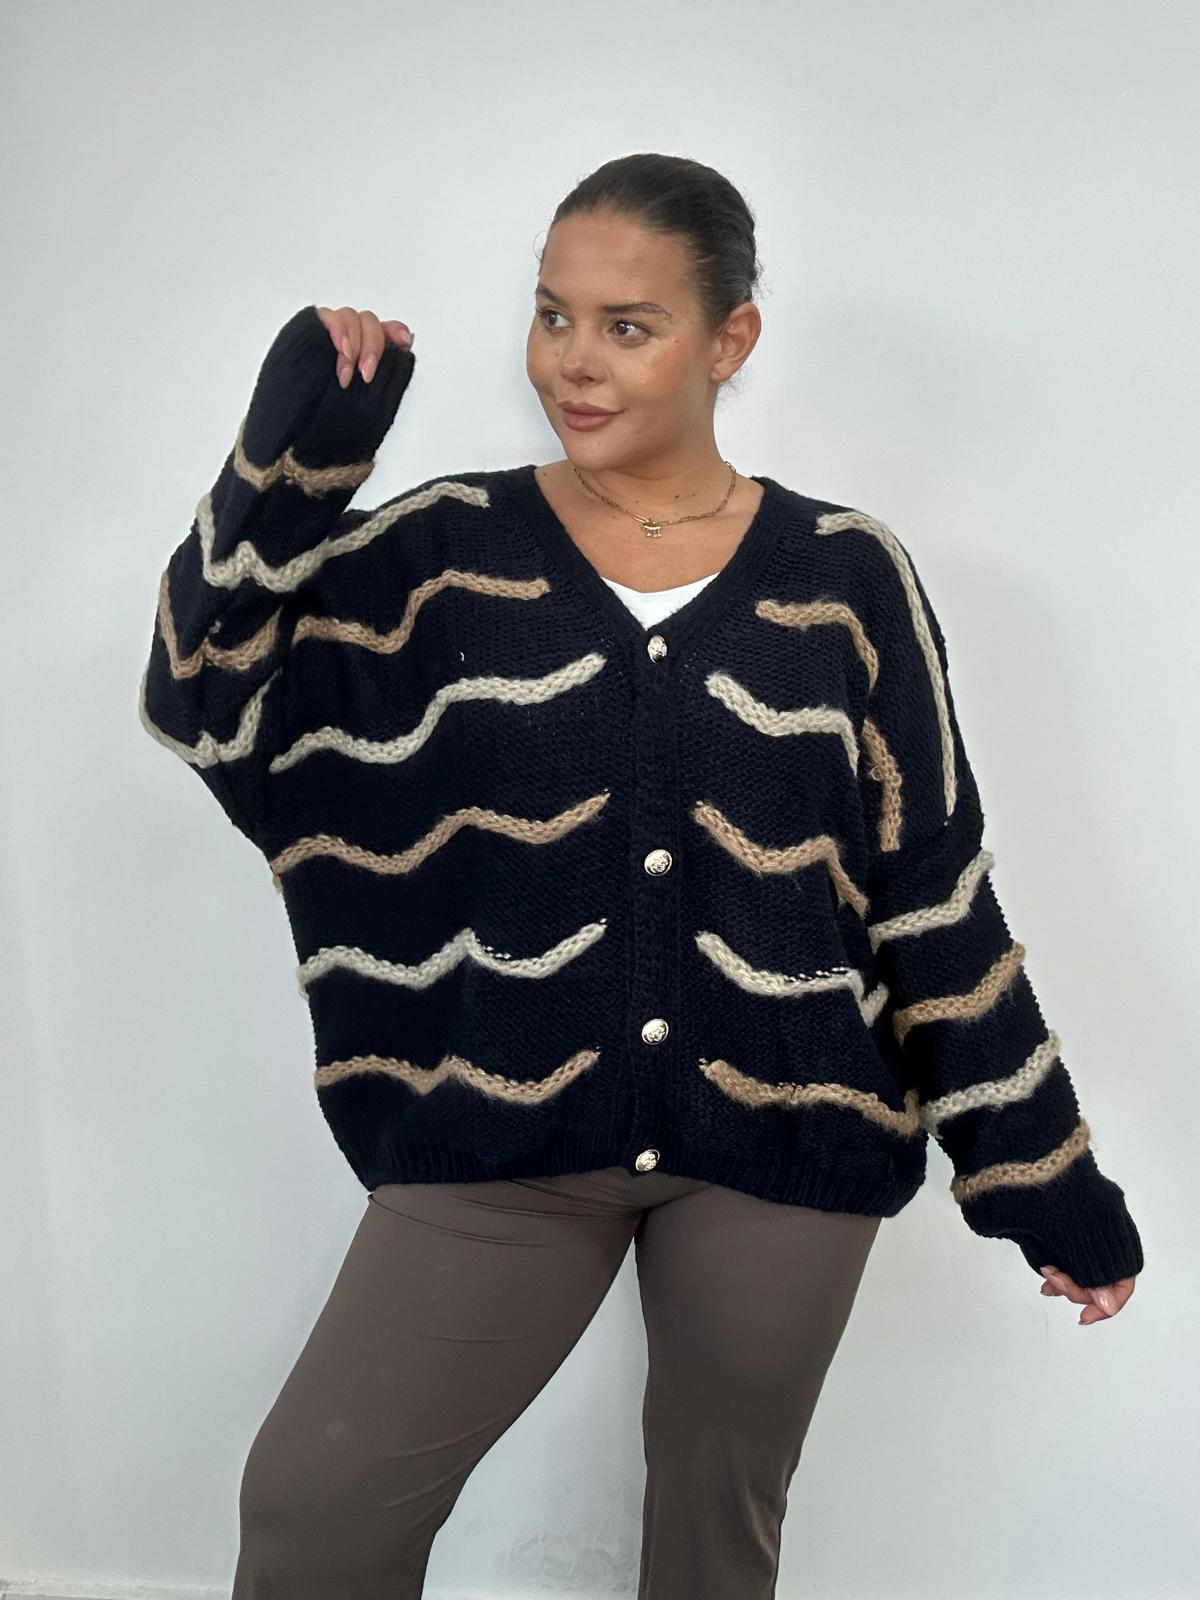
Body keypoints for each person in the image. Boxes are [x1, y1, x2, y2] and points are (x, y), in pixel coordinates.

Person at [137, 153, 1142, 1598]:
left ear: (730, 340)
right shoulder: (433, 553)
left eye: (628, 326)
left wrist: (1045, 1180)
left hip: (786, 1140)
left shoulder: (847, 577)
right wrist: (299, 456)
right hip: (500, 1135)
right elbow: (204, 701)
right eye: (553, 315)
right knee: (315, 1510)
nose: (574, 362)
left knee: (716, 1549)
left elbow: (929, 893)